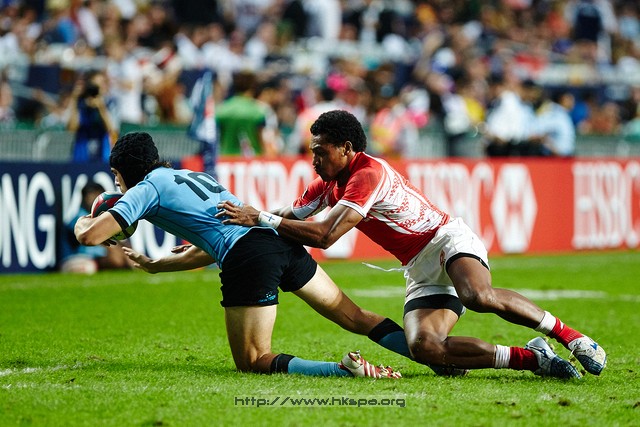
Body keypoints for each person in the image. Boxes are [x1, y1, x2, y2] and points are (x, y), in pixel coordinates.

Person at [218, 109, 607, 379]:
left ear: (346, 148)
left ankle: (572, 337)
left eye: (321, 152)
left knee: (477, 295)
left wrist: (261, 218)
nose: (314, 160)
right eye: (312, 152)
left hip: (445, 239)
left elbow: (324, 236)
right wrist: (241, 223)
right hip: (419, 267)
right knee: (426, 348)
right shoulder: (326, 184)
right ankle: (533, 358)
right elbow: (285, 215)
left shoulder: (368, 174)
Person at [74, 131, 404, 379]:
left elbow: (91, 236)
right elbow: (219, 243)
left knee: (253, 360)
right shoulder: (190, 176)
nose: (116, 182)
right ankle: (429, 354)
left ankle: (342, 370)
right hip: (276, 240)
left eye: (116, 174)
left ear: (126, 170)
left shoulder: (145, 189)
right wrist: (158, 266)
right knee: (354, 316)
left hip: (249, 257)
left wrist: (83, 221)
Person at [60, 181, 132, 274]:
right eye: (90, 195)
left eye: (96, 195)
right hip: (76, 259)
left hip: (97, 259)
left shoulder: (104, 217)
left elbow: (122, 243)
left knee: (124, 255)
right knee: (100, 263)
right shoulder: (80, 218)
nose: (92, 199)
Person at [67, 70, 118, 163]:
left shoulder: (110, 103)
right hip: (81, 155)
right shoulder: (80, 104)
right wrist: (74, 99)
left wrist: (101, 107)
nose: (101, 87)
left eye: (103, 83)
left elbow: (112, 130)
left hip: (102, 155)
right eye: (96, 84)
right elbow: (71, 128)